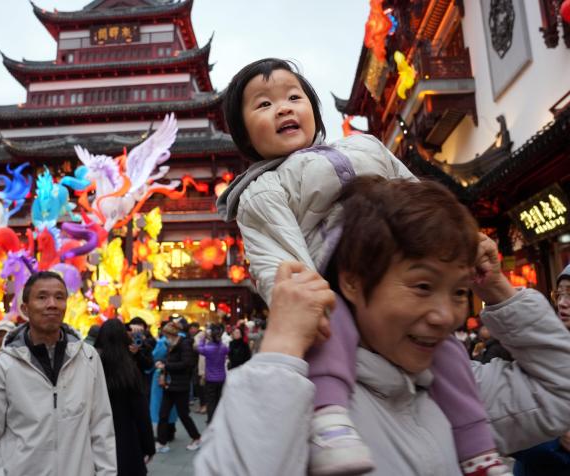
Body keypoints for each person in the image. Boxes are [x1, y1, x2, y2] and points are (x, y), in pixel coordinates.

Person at [216, 58, 503, 475]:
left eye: (294, 97)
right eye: (263, 105)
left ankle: (478, 450)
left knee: (451, 354)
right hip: (337, 287)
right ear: (244, 136)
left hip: (400, 279)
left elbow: (419, 197)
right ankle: (330, 418)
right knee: (330, 331)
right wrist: (306, 299)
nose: (283, 108)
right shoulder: (263, 191)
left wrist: (463, 239)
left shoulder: (365, 146)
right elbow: (278, 257)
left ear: (314, 110)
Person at [197, 176, 570, 475]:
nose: (447, 315)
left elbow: (562, 390)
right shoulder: (300, 406)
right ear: (354, 282)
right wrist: (280, 349)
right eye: (423, 286)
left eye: (459, 291)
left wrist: (497, 288)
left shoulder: (457, 393)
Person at [0, 271, 117, 475]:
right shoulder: (2, 366)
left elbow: (101, 428)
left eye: (59, 297)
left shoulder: (88, 359)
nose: (52, 304)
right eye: (42, 297)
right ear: (25, 308)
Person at [511, 265, 570, 475]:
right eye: (560, 294)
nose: (562, 303)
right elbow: (510, 421)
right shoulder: (538, 350)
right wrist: (555, 437)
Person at [95, 319, 155, 476]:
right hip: (127, 440)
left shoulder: (91, 364)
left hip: (97, 440)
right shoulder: (128, 370)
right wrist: (149, 446)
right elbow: (141, 412)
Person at [155, 321, 201, 453]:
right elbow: (172, 361)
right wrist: (163, 362)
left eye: (166, 335)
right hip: (169, 385)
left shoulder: (184, 344)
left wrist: (166, 366)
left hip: (181, 385)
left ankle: (196, 438)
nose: (165, 337)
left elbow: (186, 364)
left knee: (183, 414)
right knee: (163, 414)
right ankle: (161, 442)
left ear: (171, 334)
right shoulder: (172, 344)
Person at [197, 324, 228, 423]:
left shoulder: (207, 349)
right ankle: (219, 419)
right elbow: (227, 350)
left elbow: (199, 348)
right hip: (221, 377)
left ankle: (211, 419)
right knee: (219, 399)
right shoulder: (224, 348)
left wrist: (203, 338)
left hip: (210, 378)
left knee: (210, 401)